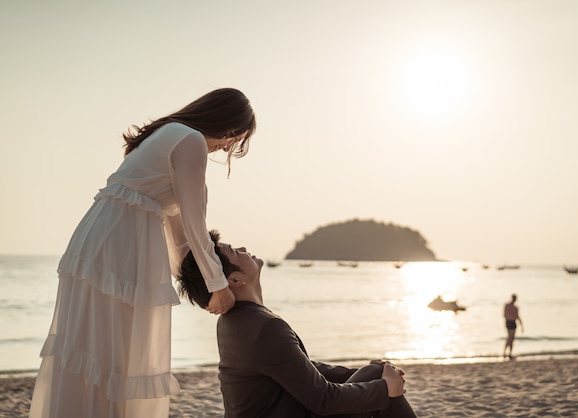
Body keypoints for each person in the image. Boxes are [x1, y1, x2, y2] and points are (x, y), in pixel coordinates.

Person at [28, 88, 256, 418]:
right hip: (122, 244)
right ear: (227, 125)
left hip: (101, 238)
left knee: (96, 350)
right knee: (115, 352)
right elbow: (194, 221)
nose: (227, 147)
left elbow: (179, 238)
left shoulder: (168, 134)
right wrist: (218, 285)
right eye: (234, 140)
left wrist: (201, 289)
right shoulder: (190, 140)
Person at [178, 230, 418, 418]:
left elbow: (295, 367)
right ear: (235, 279)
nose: (243, 248)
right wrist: (385, 388)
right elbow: (323, 401)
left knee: (375, 373)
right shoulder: (263, 327)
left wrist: (366, 375)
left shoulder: (236, 320)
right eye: (235, 251)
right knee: (378, 381)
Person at [503, 293, 524, 359]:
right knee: (510, 338)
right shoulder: (513, 307)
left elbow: (504, 315)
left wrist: (521, 325)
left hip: (509, 322)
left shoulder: (508, 306)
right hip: (511, 322)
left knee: (510, 338)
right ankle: (507, 353)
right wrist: (521, 325)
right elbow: (517, 316)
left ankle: (507, 353)